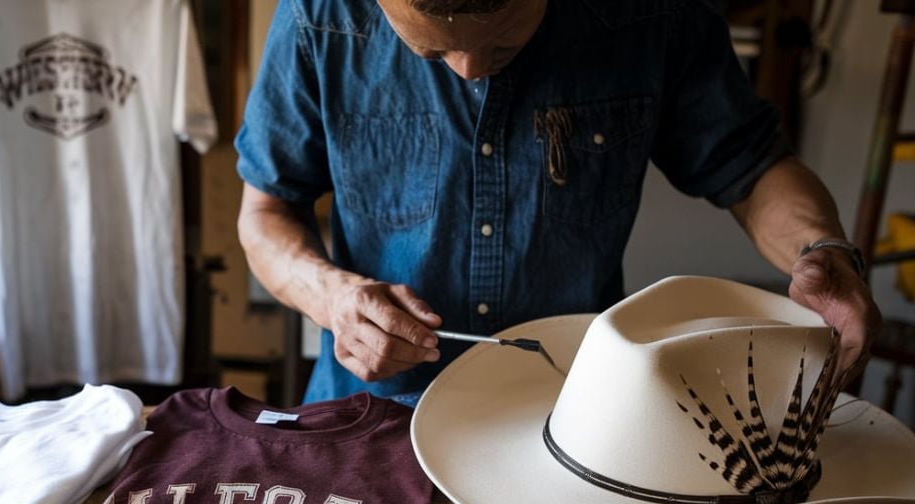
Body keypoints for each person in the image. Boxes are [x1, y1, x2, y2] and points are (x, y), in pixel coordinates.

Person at [234, 0, 881, 403]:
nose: (468, 70)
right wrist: (333, 298)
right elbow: (265, 212)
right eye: (431, 49)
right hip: (371, 412)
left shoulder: (655, 14)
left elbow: (754, 167)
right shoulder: (320, 15)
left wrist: (821, 249)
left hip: (575, 416)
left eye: (504, 43)